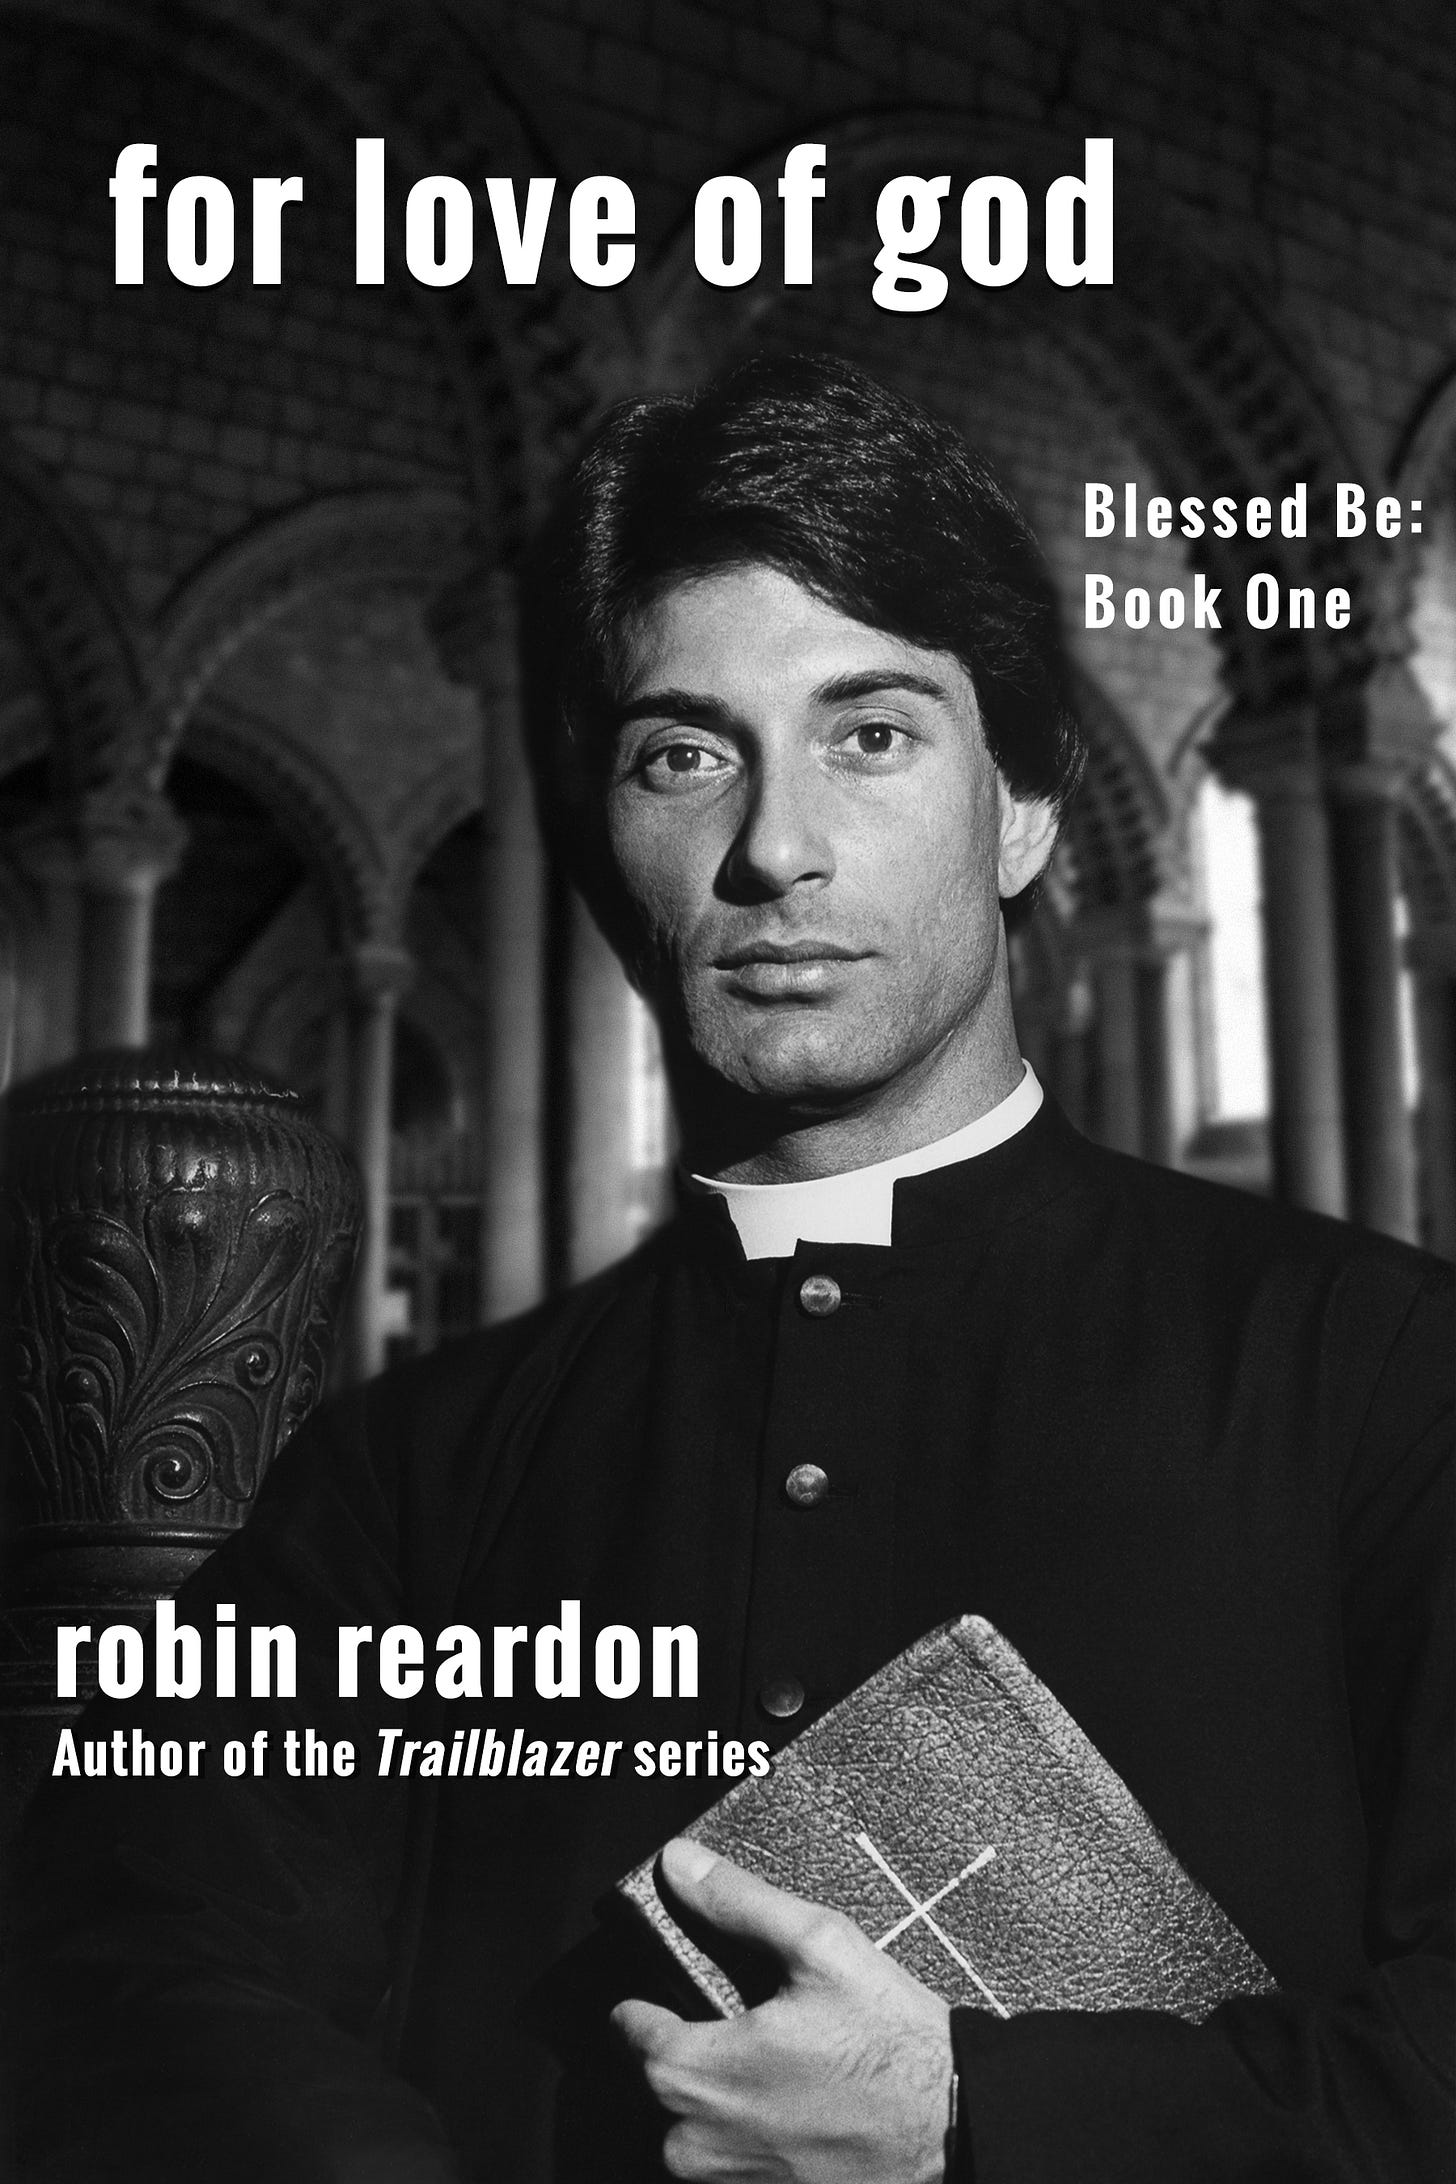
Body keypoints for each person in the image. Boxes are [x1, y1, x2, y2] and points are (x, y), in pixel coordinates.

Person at [5, 354, 1452, 2184]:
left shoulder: (1383, 1378)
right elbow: (151, 1958)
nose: (774, 848)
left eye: (872, 733)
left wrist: (983, 2123)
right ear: (615, 836)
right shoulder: (412, 1476)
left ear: (1019, 809)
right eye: (686, 754)